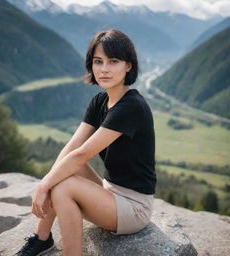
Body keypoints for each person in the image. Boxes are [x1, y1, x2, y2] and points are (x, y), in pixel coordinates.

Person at [14, 29, 156, 256]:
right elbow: (72, 149)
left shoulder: (131, 106)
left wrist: (43, 186)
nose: (104, 69)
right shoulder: (100, 101)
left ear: (128, 66)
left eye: (114, 61)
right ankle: (41, 238)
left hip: (134, 207)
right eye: (98, 61)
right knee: (65, 166)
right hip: (110, 192)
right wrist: (50, 179)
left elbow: (83, 155)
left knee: (63, 186)